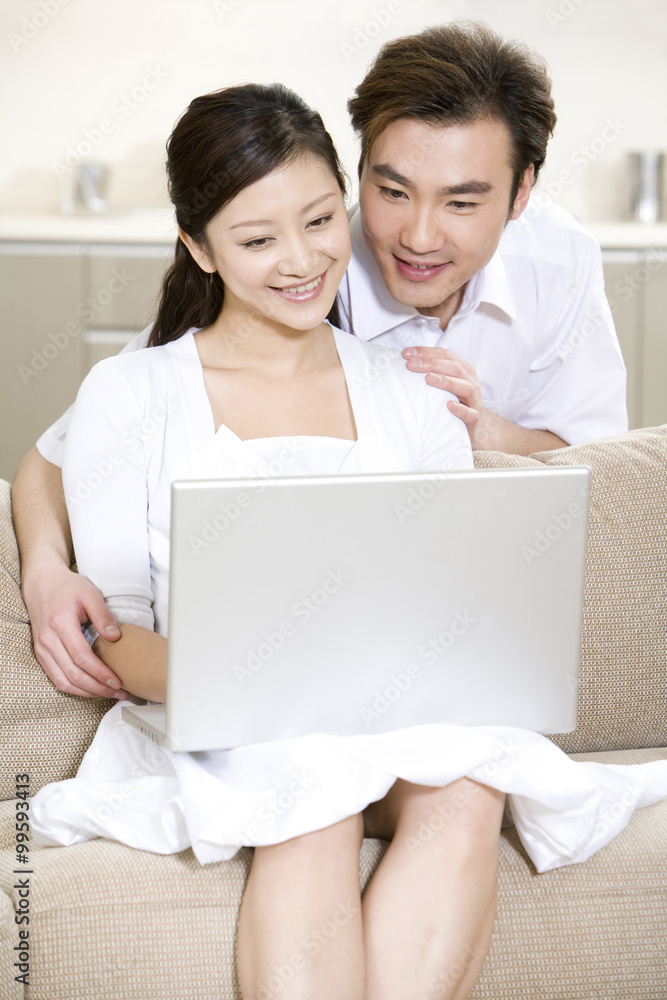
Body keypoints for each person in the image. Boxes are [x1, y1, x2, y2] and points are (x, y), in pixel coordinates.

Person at [28, 83, 667, 1000]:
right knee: (313, 797)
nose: (300, 261)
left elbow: (452, 597)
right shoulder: (134, 393)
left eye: (321, 220)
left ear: (344, 204)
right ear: (198, 247)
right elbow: (118, 628)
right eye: (255, 241)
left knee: (465, 789)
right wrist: (258, 688)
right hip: (221, 721)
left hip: (394, 713)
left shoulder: (407, 391)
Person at [12, 21, 628, 698]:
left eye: (460, 202)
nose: (417, 237)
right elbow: (67, 449)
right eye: (390, 192)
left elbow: (597, 472)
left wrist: (482, 433)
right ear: (355, 174)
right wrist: (44, 573)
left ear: (519, 194)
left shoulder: (556, 260)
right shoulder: (287, 281)